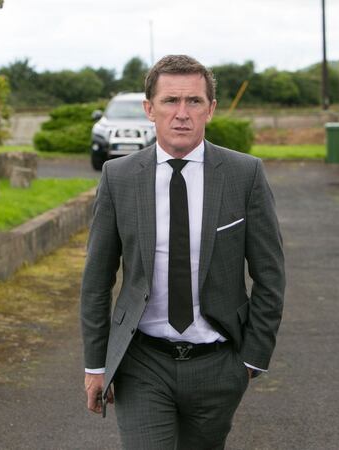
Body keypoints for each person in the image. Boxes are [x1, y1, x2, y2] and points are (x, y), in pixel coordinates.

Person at [81, 54, 285, 449]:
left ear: (210, 110)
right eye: (170, 101)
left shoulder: (245, 175)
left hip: (218, 364)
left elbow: (270, 274)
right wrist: (95, 364)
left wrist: (251, 360)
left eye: (193, 102)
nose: (181, 114)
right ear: (149, 109)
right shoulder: (118, 177)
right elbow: (96, 279)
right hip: (142, 362)